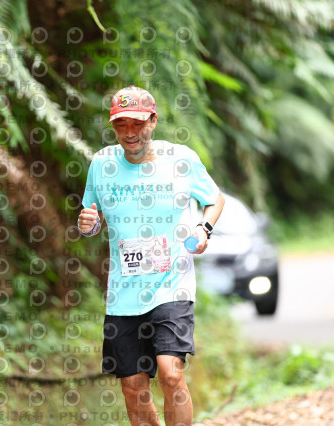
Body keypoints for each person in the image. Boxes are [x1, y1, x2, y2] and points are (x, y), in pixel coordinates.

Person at [78, 85, 225, 426]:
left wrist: (203, 229)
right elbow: (92, 218)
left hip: (172, 285)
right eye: (121, 124)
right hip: (124, 293)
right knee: (132, 386)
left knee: (171, 373)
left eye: (137, 123)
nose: (129, 132)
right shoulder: (102, 164)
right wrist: (88, 223)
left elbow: (215, 199)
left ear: (153, 121)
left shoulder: (181, 159)